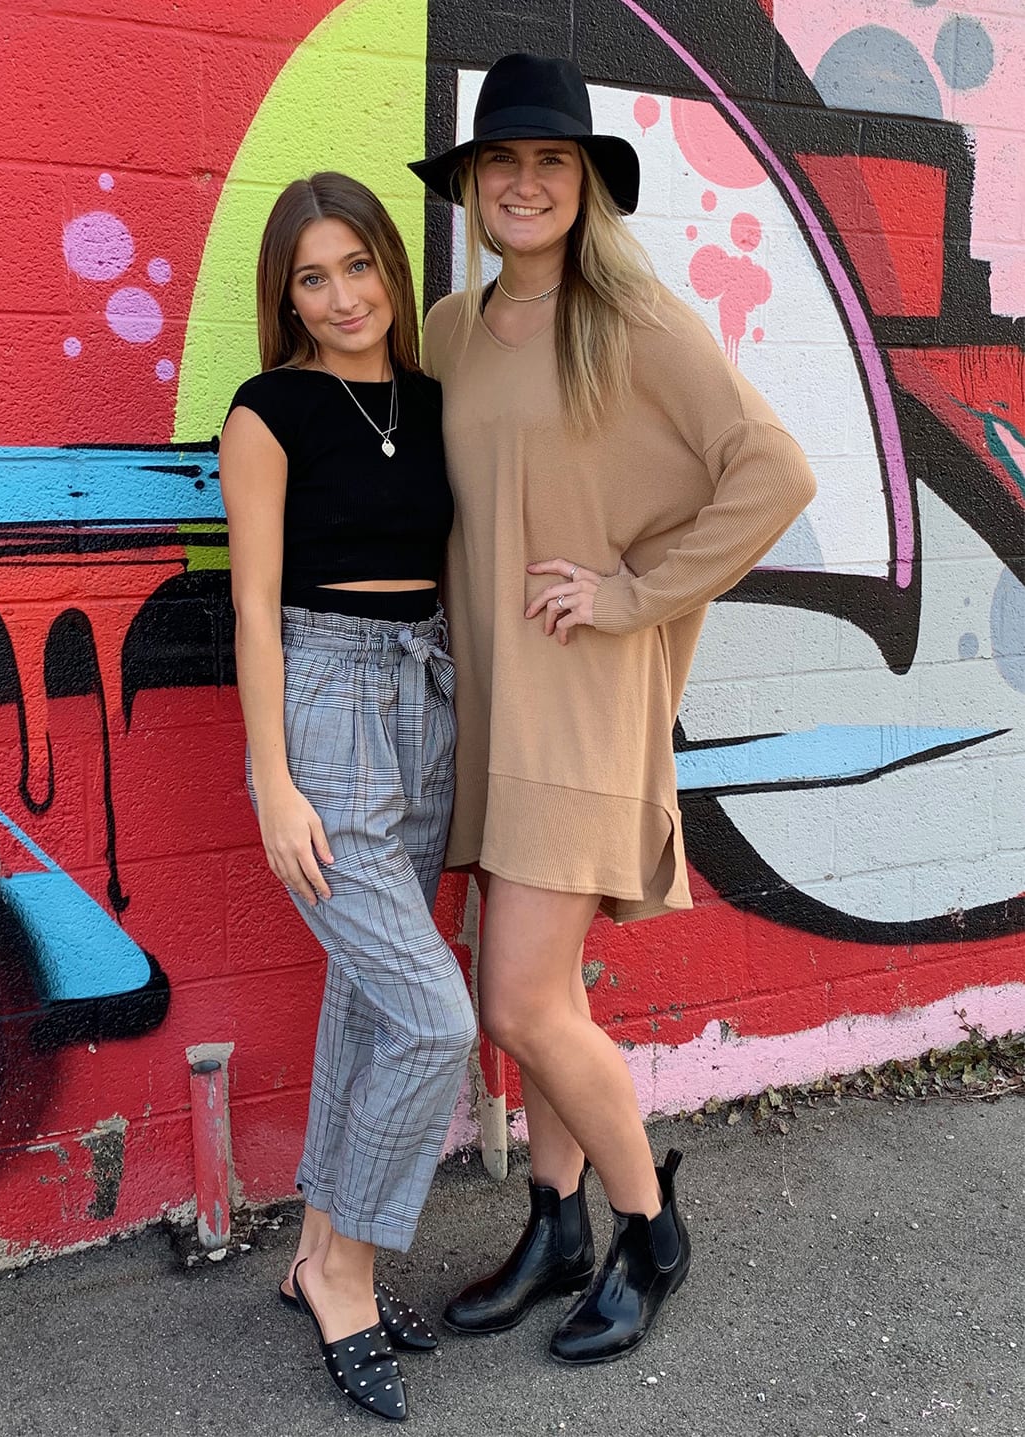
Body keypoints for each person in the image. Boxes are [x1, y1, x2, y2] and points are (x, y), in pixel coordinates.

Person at [409, 54, 816, 1365]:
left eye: (553, 165)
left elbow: (776, 472)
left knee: (519, 1001)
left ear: (586, 189)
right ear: (473, 186)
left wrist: (634, 591)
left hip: (581, 711)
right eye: (504, 164)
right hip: (491, 709)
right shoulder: (451, 330)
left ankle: (649, 1229)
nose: (525, 185)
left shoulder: (633, 325)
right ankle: (556, 1224)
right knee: (550, 994)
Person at [219, 171, 477, 1422]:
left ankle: (312, 1251)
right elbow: (254, 615)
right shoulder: (267, 411)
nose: (340, 298)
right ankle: (342, 1271)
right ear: (286, 294)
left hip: (426, 698)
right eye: (310, 278)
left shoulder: (435, 403)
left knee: (371, 1002)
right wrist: (272, 781)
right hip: (321, 703)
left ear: (390, 265)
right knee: (433, 1018)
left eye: (358, 266)